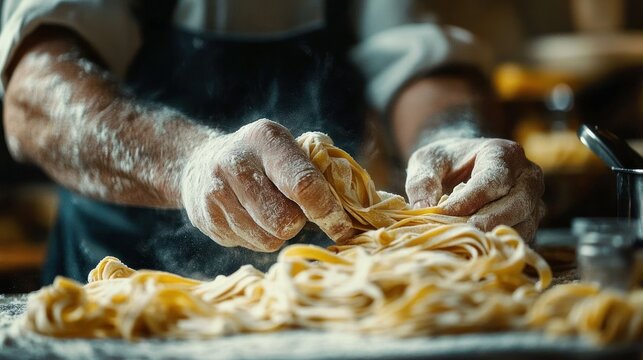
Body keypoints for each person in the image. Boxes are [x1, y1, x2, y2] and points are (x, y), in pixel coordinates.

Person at [1, 0, 544, 283]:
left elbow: (419, 55)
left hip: (328, 291)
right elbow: (34, 94)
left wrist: (454, 138)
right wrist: (192, 164)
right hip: (122, 288)